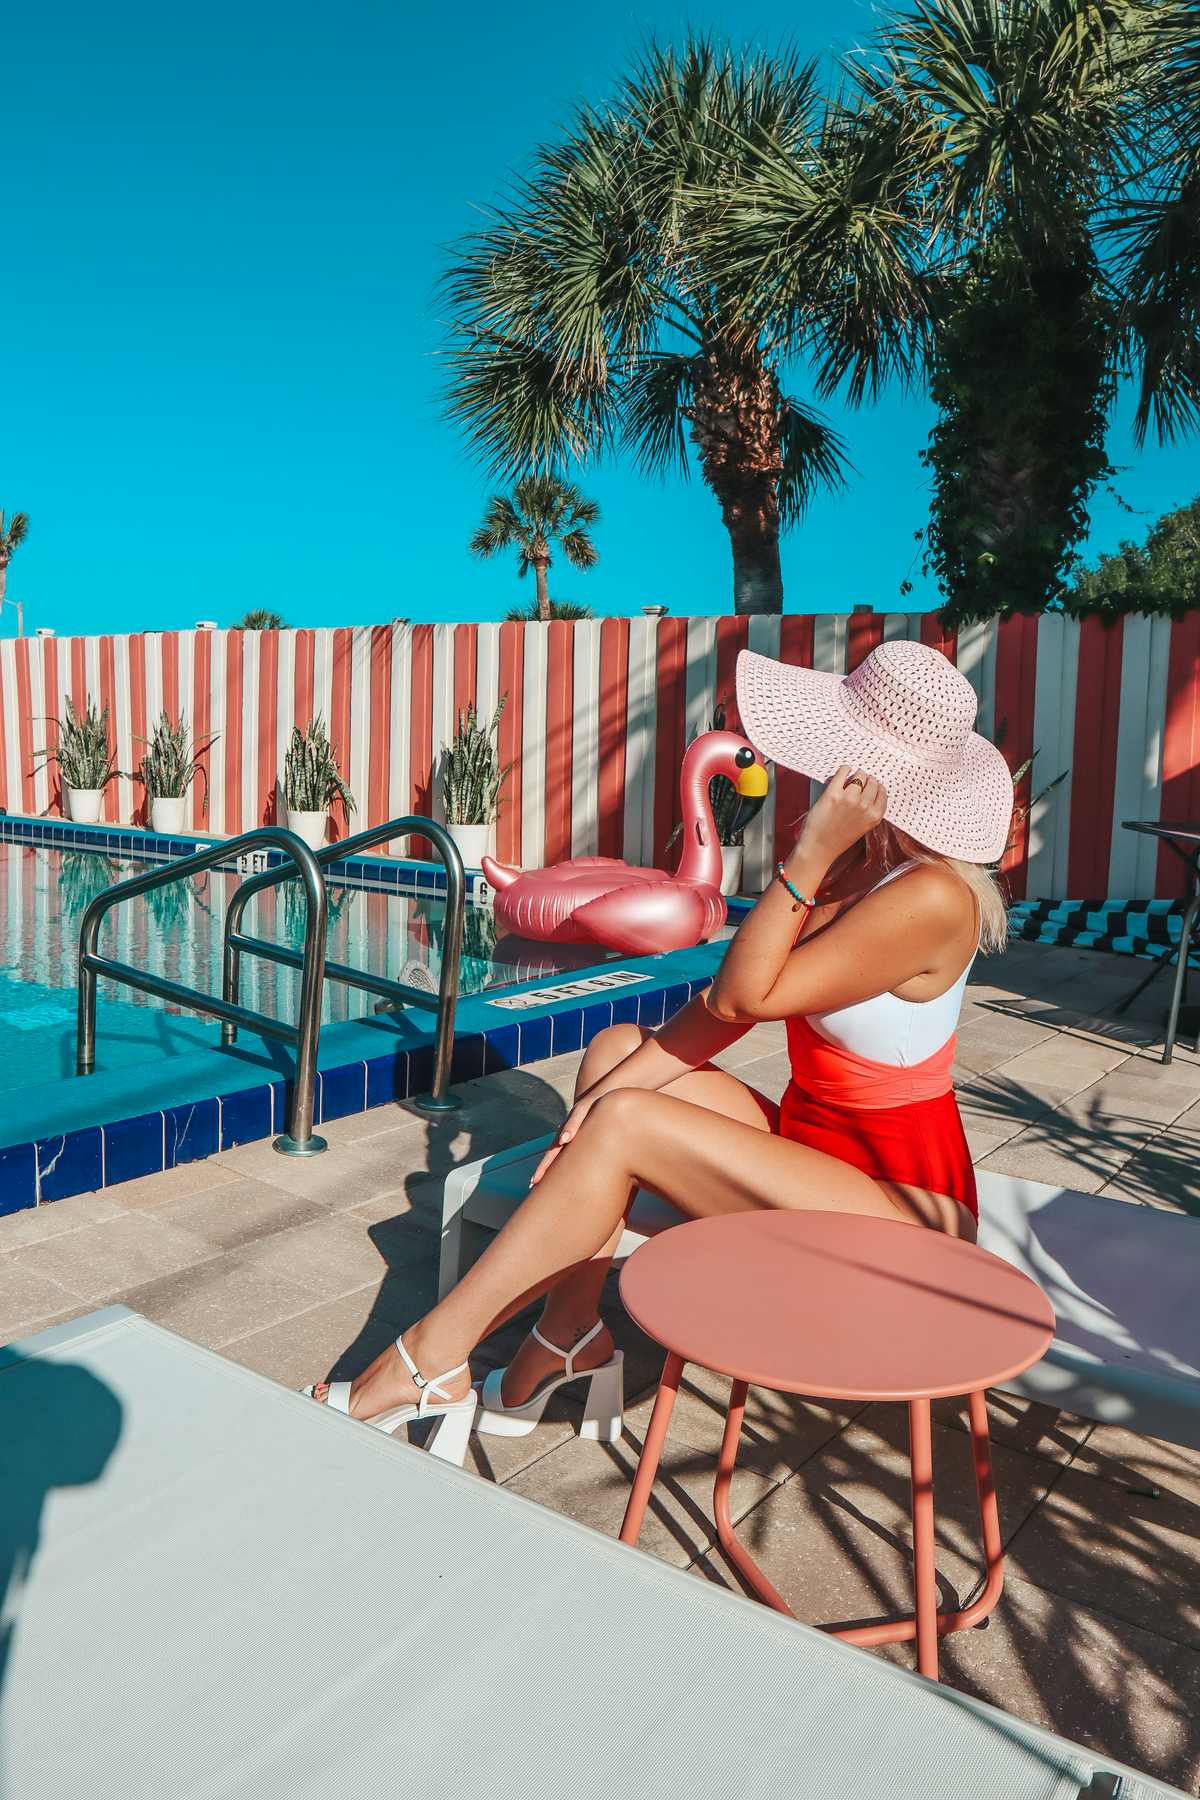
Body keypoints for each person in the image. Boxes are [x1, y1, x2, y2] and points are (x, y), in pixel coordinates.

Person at [306, 639, 1014, 1442]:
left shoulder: (929, 896)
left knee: (626, 1123)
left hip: (904, 1217)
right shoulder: (860, 871)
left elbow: (749, 992)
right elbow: (722, 1008)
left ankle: (430, 1359)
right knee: (614, 1059)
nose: (816, 775)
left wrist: (807, 853)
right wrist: (592, 1108)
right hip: (815, 1147)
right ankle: (567, 1334)